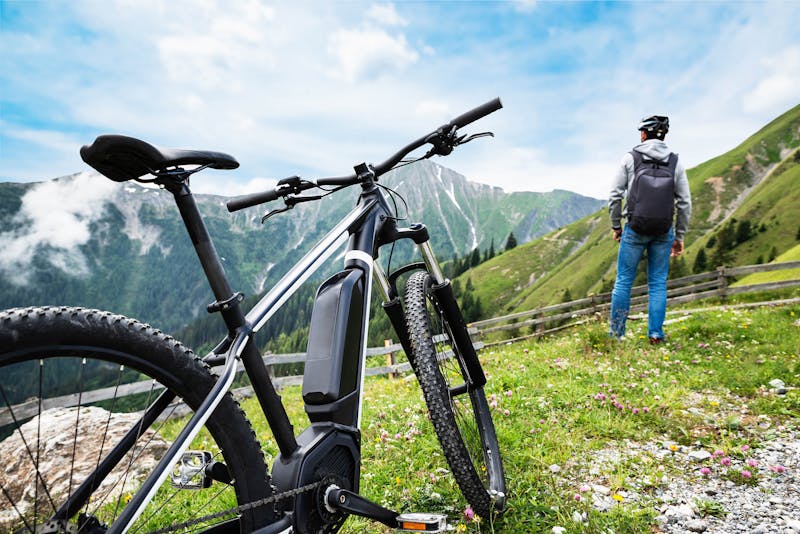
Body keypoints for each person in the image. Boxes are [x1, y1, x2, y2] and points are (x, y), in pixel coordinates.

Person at [608, 115, 691, 343]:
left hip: (634, 228)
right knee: (657, 283)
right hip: (664, 231)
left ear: (644, 134)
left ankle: (617, 334)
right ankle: (655, 334)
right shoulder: (675, 162)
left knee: (624, 280)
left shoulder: (630, 158)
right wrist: (679, 236)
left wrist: (617, 226)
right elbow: (685, 203)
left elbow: (614, 196)